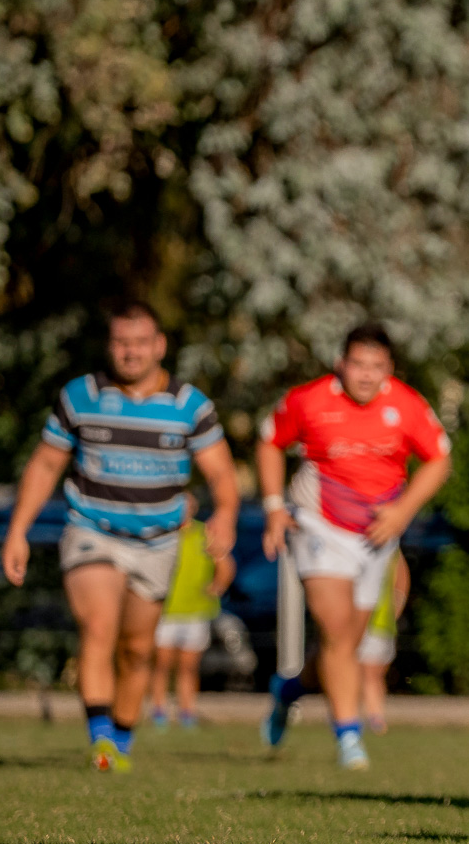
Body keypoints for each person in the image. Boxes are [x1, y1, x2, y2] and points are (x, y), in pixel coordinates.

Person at [0, 301, 239, 772]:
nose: (130, 353)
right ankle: (100, 738)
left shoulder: (190, 406)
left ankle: (122, 741)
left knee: (137, 650)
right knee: (99, 626)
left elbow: (223, 475)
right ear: (110, 345)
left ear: (159, 345)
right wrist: (17, 531)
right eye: (121, 343)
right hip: (92, 529)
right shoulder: (80, 397)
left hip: (157, 540)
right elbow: (47, 463)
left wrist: (226, 517)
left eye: (140, 343)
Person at [257, 323, 452, 770]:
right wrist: (272, 507)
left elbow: (440, 458)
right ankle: (349, 739)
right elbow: (269, 442)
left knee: (345, 643)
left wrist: (403, 511)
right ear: (340, 364)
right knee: (338, 631)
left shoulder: (405, 404)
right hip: (317, 526)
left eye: (376, 367)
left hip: (375, 538)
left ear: (389, 369)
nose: (365, 376)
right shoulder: (309, 399)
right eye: (357, 365)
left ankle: (288, 690)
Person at [148, 494, 236, 728]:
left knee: (188, 667)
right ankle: (158, 710)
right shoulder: (161, 532)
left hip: (196, 611)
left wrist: (217, 586)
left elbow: (225, 565)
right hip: (165, 609)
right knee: (161, 664)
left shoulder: (204, 533)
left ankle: (187, 712)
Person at [357, 552, 410, 734]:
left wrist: (395, 608)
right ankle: (372, 717)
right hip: (370, 621)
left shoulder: (389, 545)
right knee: (369, 674)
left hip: (378, 621)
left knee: (371, 674)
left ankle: (373, 719)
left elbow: (401, 578)